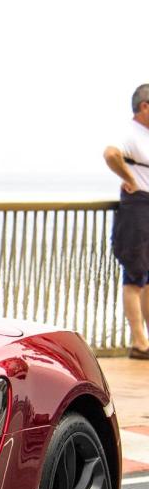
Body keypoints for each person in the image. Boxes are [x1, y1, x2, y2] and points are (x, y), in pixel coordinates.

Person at [103, 84, 149, 359]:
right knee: (134, 275)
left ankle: (145, 340)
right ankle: (139, 342)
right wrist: (130, 179)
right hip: (137, 208)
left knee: (147, 277)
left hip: (146, 207)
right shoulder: (129, 133)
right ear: (145, 106)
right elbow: (110, 154)